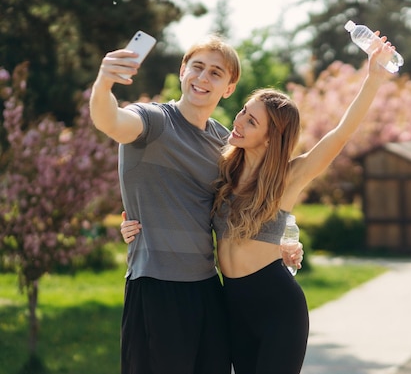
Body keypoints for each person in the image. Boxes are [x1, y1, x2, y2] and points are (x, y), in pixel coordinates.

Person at [121, 33, 397, 373]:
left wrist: (372, 80)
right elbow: (176, 200)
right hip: (230, 306)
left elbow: (338, 135)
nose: (237, 121)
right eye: (242, 112)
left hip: (277, 308)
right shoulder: (222, 169)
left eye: (251, 121)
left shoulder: (286, 180)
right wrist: (133, 223)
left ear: (269, 138)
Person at [90, 34, 302, 374]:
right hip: (157, 287)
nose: (203, 78)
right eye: (197, 67)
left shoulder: (226, 142)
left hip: (207, 289)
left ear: (229, 88)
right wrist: (104, 84)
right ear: (182, 71)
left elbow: (251, 202)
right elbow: (110, 121)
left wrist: (279, 244)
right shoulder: (152, 120)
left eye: (216, 73)